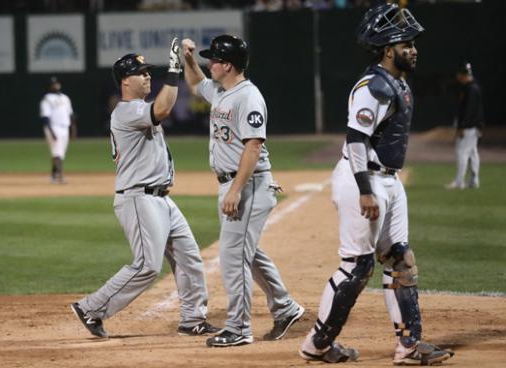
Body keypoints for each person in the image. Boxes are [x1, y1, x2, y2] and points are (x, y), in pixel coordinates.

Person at [298, 4, 454, 365]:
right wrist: (365, 188)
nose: (414, 49)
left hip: (389, 180)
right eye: (406, 44)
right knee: (357, 266)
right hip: (363, 179)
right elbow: (355, 139)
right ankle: (317, 344)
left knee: (400, 258)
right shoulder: (373, 87)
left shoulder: (396, 82)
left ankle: (409, 346)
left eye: (414, 44)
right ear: (388, 50)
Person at [71, 38, 220, 339]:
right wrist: (175, 69)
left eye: (149, 72)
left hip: (161, 199)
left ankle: (193, 319)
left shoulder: (138, 107)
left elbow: (159, 107)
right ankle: (92, 308)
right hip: (138, 198)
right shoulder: (126, 111)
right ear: (125, 81)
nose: (147, 76)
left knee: (189, 257)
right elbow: (163, 109)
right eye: (141, 73)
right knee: (147, 266)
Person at [182, 35, 305, 348]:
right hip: (238, 183)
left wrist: (235, 190)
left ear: (228, 65)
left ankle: (238, 328)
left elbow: (253, 145)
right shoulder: (223, 89)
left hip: (246, 185)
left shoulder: (248, 96)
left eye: (214, 60)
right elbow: (197, 84)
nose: (210, 64)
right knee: (246, 254)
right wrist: (189, 59)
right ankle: (285, 307)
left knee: (232, 257)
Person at [446, 61, 483, 190]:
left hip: (469, 127)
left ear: (463, 74)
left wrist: (462, 126)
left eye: (459, 74)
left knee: (462, 152)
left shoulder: (471, 89)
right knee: (472, 153)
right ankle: (474, 180)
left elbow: (469, 110)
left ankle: (459, 182)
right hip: (473, 126)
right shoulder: (472, 87)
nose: (457, 77)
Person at [39, 76, 76, 184]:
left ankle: (53, 176)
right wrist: (51, 132)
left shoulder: (65, 98)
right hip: (53, 127)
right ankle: (59, 177)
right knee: (57, 153)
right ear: (49, 86)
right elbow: (46, 118)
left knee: (60, 153)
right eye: (53, 83)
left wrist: (73, 129)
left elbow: (71, 115)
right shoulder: (47, 98)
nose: (56, 85)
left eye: (57, 83)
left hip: (65, 128)